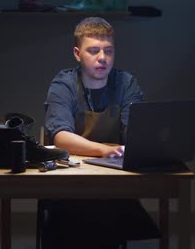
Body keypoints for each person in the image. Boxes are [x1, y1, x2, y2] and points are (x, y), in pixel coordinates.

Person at [42, 17, 160, 249]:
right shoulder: (64, 84)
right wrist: (103, 149)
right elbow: (61, 137)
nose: (102, 58)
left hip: (114, 180)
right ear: (77, 54)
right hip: (69, 182)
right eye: (93, 51)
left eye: (108, 51)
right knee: (80, 213)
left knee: (107, 207)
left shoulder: (125, 83)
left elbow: (136, 133)